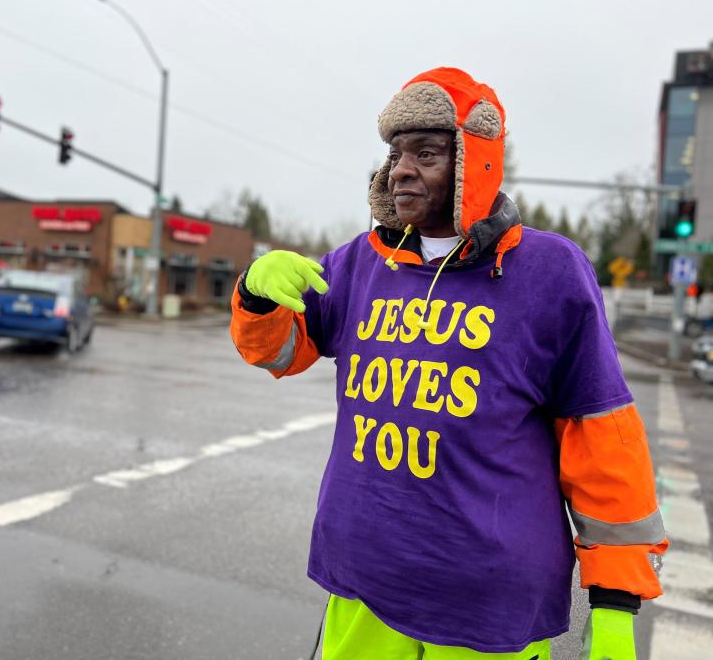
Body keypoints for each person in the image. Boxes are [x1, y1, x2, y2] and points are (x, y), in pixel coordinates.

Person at [229, 68, 667, 660]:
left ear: (474, 162)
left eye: (427, 153)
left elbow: (603, 441)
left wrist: (615, 604)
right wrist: (256, 295)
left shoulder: (550, 272)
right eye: (396, 152)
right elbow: (279, 350)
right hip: (363, 583)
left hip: (487, 604)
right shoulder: (362, 263)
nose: (401, 169)